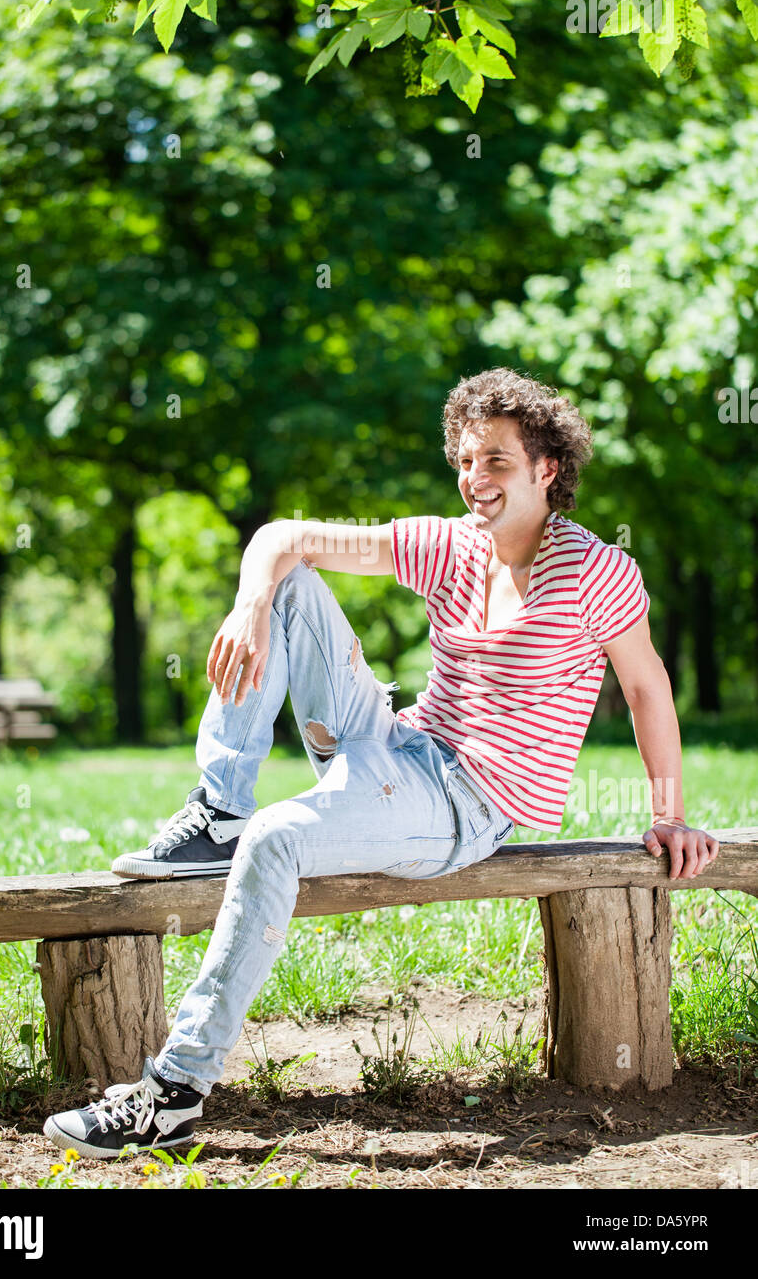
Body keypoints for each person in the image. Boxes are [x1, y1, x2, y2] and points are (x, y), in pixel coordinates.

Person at [43, 367, 719, 1159]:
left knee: (279, 838)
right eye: (465, 461)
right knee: (287, 583)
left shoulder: (595, 572)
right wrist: (250, 604)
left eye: (496, 461)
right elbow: (280, 537)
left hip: (466, 804)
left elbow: (647, 688)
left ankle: (173, 1093)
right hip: (398, 743)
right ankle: (219, 805)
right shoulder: (450, 545)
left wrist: (668, 813)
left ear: (548, 469)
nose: (475, 480)